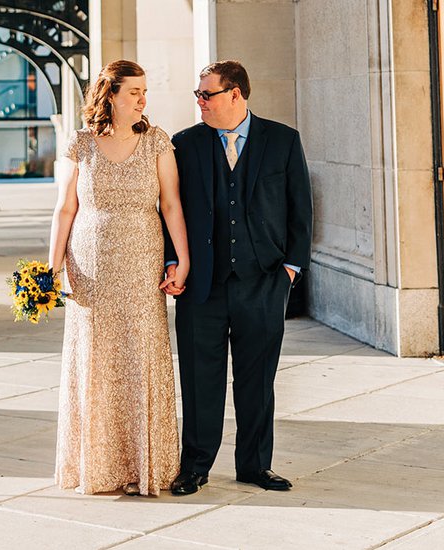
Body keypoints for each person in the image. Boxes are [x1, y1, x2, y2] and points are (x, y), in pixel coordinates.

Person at [162, 60, 313, 495]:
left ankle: (255, 466)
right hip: (201, 286)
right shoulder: (184, 144)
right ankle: (195, 467)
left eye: (206, 94)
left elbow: (300, 208)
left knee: (257, 381)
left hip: (263, 281)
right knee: (199, 380)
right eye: (198, 94)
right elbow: (168, 209)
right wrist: (173, 261)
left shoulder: (282, 140)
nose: (200, 101)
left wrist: (290, 270)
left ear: (235, 94)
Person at [49, 60, 190, 497]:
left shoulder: (157, 142)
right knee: (96, 359)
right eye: (134, 91)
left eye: (144, 91)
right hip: (89, 267)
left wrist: (182, 259)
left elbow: (171, 205)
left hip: (142, 263)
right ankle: (98, 466)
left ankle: (142, 466)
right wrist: (51, 269)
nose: (142, 99)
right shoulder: (81, 144)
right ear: (110, 94)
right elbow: (65, 209)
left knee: (139, 356)